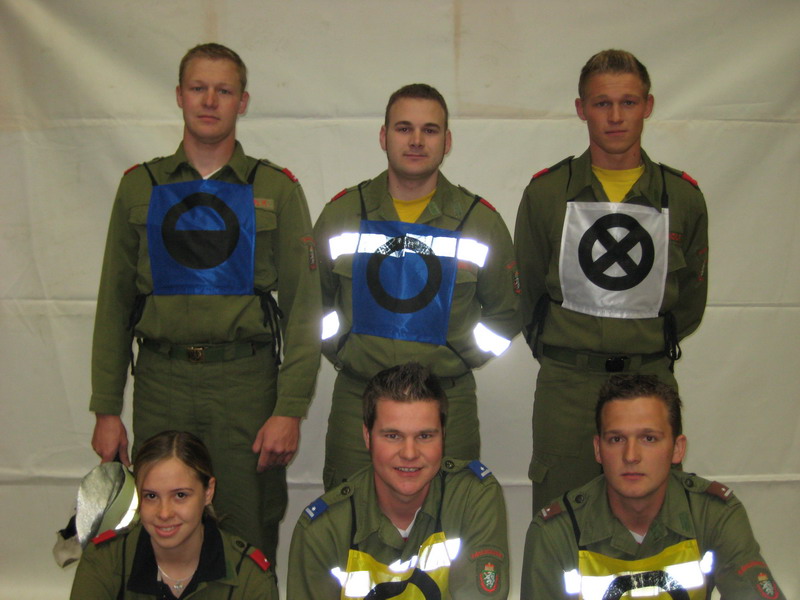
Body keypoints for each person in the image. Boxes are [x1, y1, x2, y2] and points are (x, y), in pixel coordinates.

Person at [89, 43, 320, 561]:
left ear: (243, 101)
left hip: (245, 386)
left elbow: (305, 310)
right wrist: (106, 408)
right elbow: (113, 306)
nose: (210, 101)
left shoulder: (275, 189)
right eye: (198, 88)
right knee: (161, 525)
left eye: (224, 90)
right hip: (161, 382)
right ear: (179, 95)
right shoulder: (140, 187)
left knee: (246, 525)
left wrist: (289, 409)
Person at [514, 49, 709, 512]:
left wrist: (641, 343)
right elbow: (528, 294)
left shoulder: (681, 198)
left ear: (648, 106)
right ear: (581, 109)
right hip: (567, 385)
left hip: (650, 378)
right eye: (602, 103)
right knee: (561, 516)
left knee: (652, 517)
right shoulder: (546, 194)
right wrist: (568, 349)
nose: (616, 117)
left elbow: (689, 302)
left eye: (628, 102)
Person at [314, 83, 520, 489]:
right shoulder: (343, 213)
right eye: (404, 128)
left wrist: (460, 354)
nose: (416, 140)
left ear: (447, 141)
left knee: (452, 512)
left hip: (447, 402)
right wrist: (344, 348)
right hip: (359, 398)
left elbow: (507, 314)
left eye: (430, 130)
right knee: (347, 513)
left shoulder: (479, 222)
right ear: (383, 136)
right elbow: (311, 306)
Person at [520, 374, 783, 599]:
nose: (631, 456)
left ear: (677, 448)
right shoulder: (555, 533)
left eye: (648, 438)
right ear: (598, 449)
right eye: (616, 439)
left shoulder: (713, 514)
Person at [287, 362, 509, 599]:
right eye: (393, 436)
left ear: (443, 436)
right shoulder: (322, 531)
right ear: (367, 437)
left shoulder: (473, 498)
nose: (409, 453)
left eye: (425, 436)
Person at [71, 430, 278, 599]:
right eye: (151, 496)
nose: (164, 513)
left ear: (208, 492)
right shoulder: (105, 560)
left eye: (180, 495)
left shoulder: (249, 576)